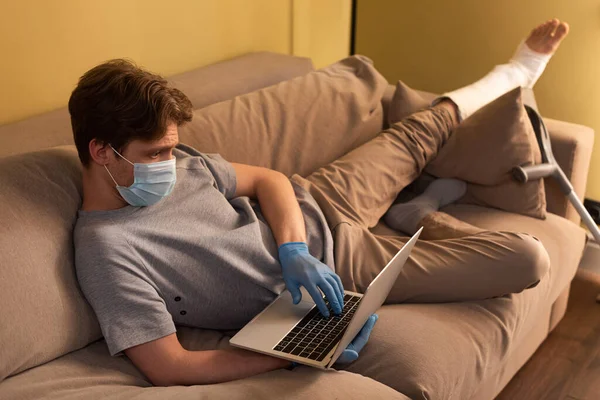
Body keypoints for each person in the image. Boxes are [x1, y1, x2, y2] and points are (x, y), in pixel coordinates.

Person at [70, 19, 569, 387]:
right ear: (100, 151)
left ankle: (516, 71)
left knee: (418, 134)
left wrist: (293, 250)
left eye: (173, 147)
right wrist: (297, 356)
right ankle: (420, 215)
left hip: (320, 198)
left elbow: (269, 181)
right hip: (346, 265)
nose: (171, 161)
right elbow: (170, 367)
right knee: (528, 258)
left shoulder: (179, 164)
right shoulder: (106, 250)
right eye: (156, 152)